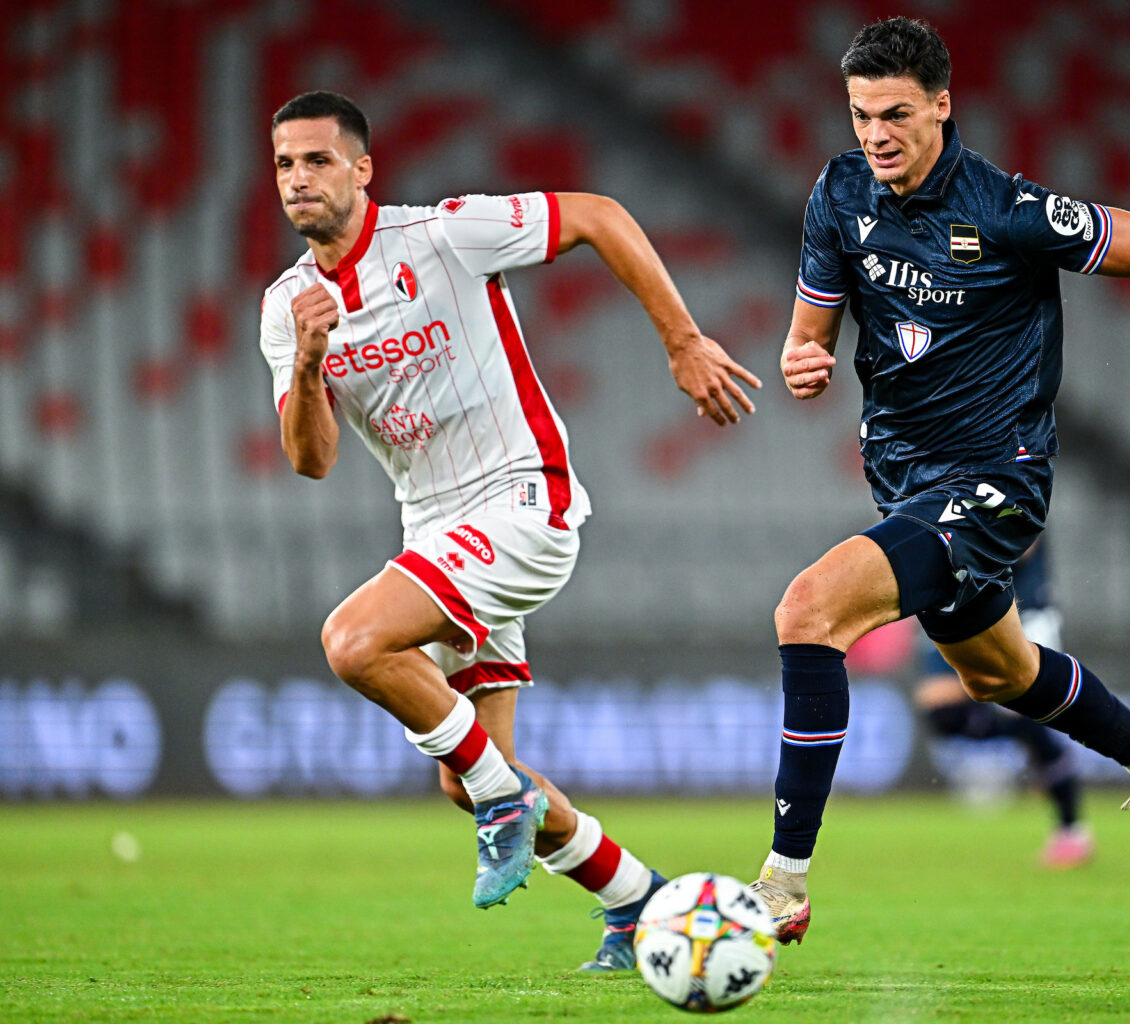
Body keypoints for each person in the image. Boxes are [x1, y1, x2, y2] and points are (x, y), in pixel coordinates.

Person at [748, 18, 1130, 943]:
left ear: (942, 105)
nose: (876, 134)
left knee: (806, 612)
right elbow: (810, 333)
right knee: (1000, 673)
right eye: (863, 114)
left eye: (896, 113)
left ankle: (783, 881)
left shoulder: (1008, 210)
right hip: (906, 481)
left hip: (996, 482)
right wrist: (801, 358)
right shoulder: (837, 193)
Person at [258, 90, 760, 970]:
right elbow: (310, 458)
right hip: (436, 533)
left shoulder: (444, 235)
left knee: (352, 642)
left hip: (524, 502)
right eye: (284, 164)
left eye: (317, 160)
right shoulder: (288, 306)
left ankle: (504, 803)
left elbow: (599, 216)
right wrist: (306, 363)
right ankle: (635, 898)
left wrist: (681, 342)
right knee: (465, 776)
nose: (298, 179)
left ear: (362, 168)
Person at [915, 537, 1095, 869]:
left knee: (1018, 704)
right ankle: (1043, 749)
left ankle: (1071, 828)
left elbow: (1021, 541)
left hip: (1022, 609)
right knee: (938, 708)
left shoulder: (1009, 486)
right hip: (960, 602)